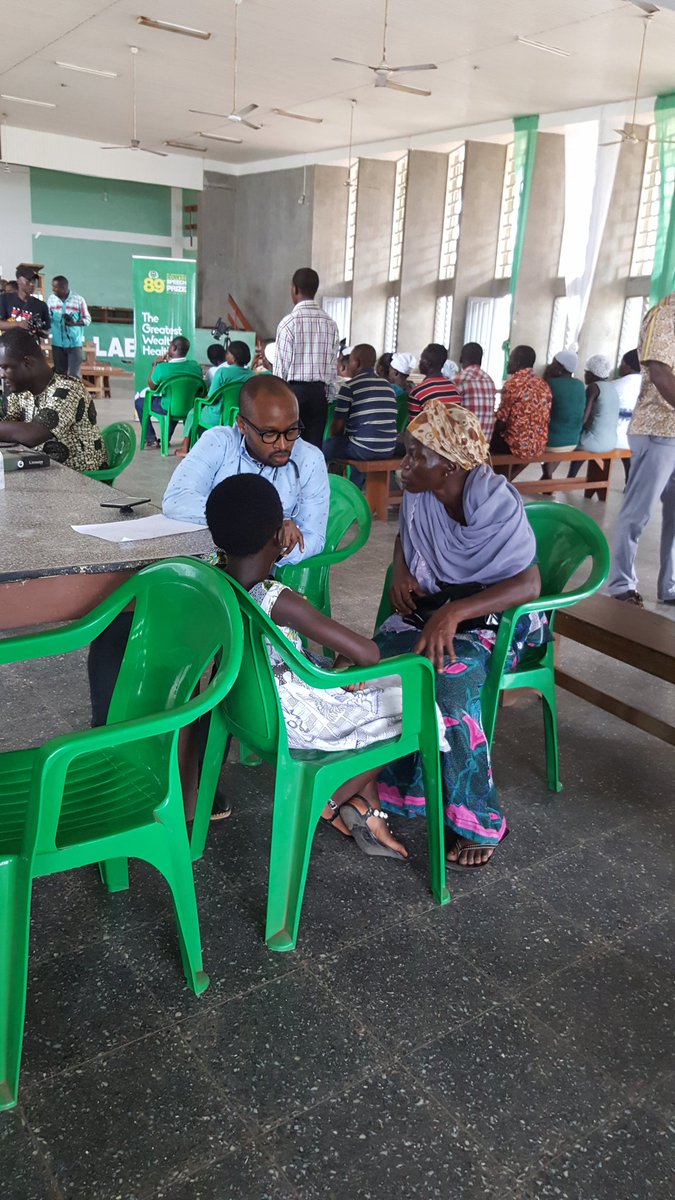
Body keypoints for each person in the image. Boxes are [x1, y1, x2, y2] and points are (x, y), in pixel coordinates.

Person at [375, 400, 550, 868]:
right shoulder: (419, 493)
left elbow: (528, 584)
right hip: (439, 606)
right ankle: (398, 791)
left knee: (450, 681)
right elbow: (404, 538)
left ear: (449, 465)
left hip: (500, 615)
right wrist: (401, 569)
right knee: (377, 663)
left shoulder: (496, 502)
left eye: (415, 456)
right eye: (406, 452)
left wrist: (454, 613)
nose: (403, 465)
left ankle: (479, 820)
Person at [206, 472, 417, 858]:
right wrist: (348, 661)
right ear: (277, 536)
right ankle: (331, 798)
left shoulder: (217, 579)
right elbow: (368, 652)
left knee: (360, 681)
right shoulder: (278, 599)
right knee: (420, 702)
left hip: (251, 712)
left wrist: (340, 663)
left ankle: (364, 808)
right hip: (301, 722)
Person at [163, 374, 329, 566]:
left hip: (265, 572)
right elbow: (176, 499)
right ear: (242, 424)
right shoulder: (218, 442)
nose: (283, 445)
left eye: (292, 430)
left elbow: (314, 539)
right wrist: (268, 526)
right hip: (206, 565)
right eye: (269, 434)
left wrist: (278, 547)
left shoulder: (310, 459)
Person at [608, 294, 675, 606]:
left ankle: (670, 587)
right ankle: (621, 585)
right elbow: (660, 372)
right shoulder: (665, 315)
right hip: (657, 430)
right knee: (638, 512)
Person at [0, 327, 106, 471]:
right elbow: (7, 423)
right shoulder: (21, 393)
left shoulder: (67, 390)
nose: (2, 374)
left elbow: (32, 434)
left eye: (5, 367)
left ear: (27, 363)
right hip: (46, 471)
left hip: (82, 480)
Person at [275, 267, 340, 448]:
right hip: (318, 395)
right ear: (315, 289)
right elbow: (331, 367)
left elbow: (281, 370)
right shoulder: (330, 324)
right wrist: (327, 397)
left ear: (294, 289)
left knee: (288, 446)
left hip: (293, 394)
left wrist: (279, 401)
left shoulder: (288, 323)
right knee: (313, 448)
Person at [323, 343, 398, 487]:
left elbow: (338, 426)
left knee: (326, 447)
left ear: (356, 363)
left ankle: (326, 489)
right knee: (356, 442)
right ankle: (356, 487)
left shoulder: (349, 387)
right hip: (388, 448)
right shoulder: (387, 386)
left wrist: (335, 440)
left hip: (362, 448)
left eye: (350, 360)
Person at [175, 340, 255, 458]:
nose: (226, 354)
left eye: (228, 352)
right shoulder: (252, 375)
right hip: (242, 417)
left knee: (193, 413)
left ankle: (185, 448)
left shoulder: (222, 372)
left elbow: (211, 398)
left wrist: (200, 401)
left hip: (219, 416)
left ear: (233, 357)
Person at [134, 335, 203, 449]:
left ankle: (151, 439)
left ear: (174, 348)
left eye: (170, 345)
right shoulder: (195, 366)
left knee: (140, 403)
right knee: (175, 401)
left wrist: (155, 365)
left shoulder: (163, 368)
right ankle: (165, 439)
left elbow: (152, 386)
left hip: (169, 407)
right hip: (190, 407)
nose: (168, 348)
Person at [490, 345, 551, 468]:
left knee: (482, 443)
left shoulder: (513, 384)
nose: (508, 362)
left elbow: (501, 423)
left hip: (517, 447)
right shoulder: (543, 385)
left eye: (510, 359)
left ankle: (495, 482)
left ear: (517, 363)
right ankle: (505, 480)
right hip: (538, 445)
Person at [567, 354, 620, 479]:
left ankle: (551, 478)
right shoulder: (612, 388)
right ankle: (570, 477)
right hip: (611, 441)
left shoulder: (593, 387)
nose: (585, 375)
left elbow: (584, 418)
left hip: (594, 442)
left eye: (586, 372)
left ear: (591, 374)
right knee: (585, 438)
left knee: (563, 441)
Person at [540, 350, 586, 480]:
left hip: (551, 442)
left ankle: (547, 477)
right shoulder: (579, 385)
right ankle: (546, 478)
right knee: (559, 433)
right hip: (573, 441)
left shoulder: (551, 383)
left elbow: (543, 413)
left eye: (554, 363)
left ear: (561, 367)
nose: (550, 366)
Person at [47, 275, 91, 379]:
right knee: (59, 375)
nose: (53, 290)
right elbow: (48, 318)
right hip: (57, 344)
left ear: (64, 287)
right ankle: (61, 395)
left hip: (74, 345)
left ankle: (74, 395)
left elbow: (87, 319)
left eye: (55, 287)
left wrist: (74, 323)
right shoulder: (51, 300)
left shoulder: (79, 300)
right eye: (53, 287)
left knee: (74, 375)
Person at [453, 342, 497, 440]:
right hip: (485, 444)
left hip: (465, 446)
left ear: (460, 359)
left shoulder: (459, 380)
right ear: (480, 360)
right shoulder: (489, 380)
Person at [407, 344, 461, 418]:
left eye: (421, 359)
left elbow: (414, 426)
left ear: (428, 363)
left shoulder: (417, 392)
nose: (419, 362)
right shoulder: (455, 389)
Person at [614, 348, 641, 484]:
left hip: (613, 438)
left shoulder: (615, 386)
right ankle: (628, 482)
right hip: (636, 440)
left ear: (628, 367)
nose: (619, 366)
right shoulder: (648, 386)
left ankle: (571, 475)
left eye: (622, 363)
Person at [0, 265, 50, 338]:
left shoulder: (41, 305)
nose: (32, 284)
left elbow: (46, 333)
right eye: (28, 280)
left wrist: (36, 330)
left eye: (34, 281)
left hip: (31, 348)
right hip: (9, 347)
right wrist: (18, 324)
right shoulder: (4, 299)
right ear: (18, 281)